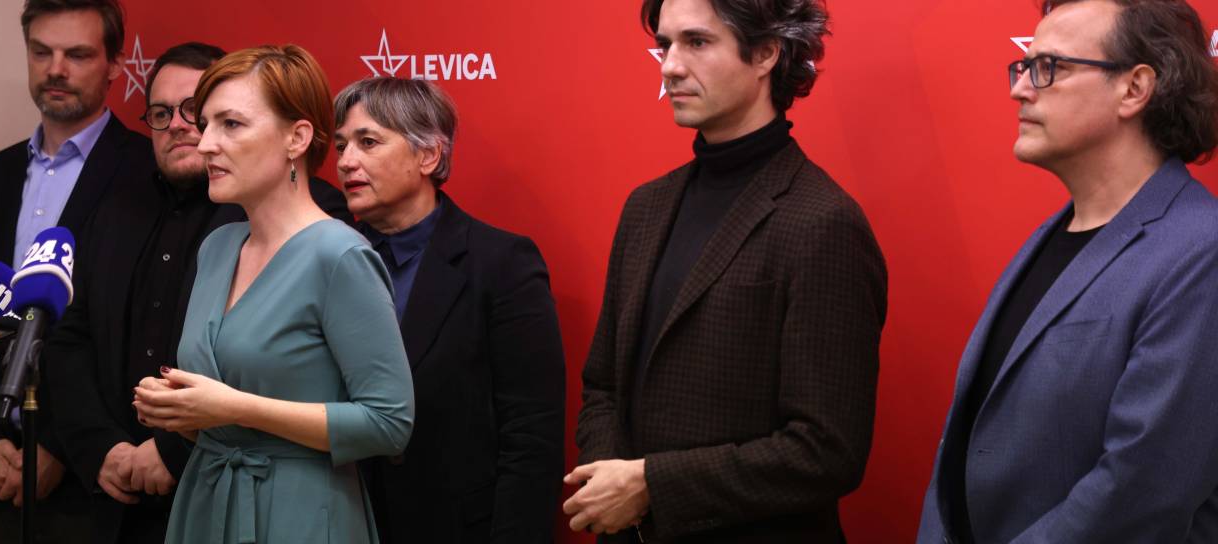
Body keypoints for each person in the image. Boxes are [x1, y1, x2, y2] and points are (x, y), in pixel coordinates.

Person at [567, 0, 887, 541]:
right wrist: (610, 480)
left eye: (696, 42)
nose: (670, 66)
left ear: (765, 54)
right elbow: (602, 385)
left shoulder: (822, 221)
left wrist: (650, 487)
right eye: (664, 45)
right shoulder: (645, 207)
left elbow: (827, 450)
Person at [916, 1, 1218, 542]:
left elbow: (1142, 492)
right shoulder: (1046, 239)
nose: (1020, 89)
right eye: (1024, 66)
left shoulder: (1201, 251)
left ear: (1134, 88)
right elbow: (960, 449)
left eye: (1048, 67)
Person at [42, 41, 352, 543]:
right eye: (161, 114)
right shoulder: (113, 208)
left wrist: (172, 449)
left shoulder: (301, 224)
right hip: (111, 498)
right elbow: (70, 337)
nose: (186, 129)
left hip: (246, 490)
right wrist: (101, 448)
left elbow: (299, 374)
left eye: (199, 113)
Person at [130, 45, 415, 544]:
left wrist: (234, 407)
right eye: (206, 124)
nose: (205, 144)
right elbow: (221, 413)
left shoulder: (339, 256)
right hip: (205, 500)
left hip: (300, 513)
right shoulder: (218, 247)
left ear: (296, 138)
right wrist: (182, 413)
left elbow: (389, 422)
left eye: (231, 124)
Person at [0, 0, 154, 541]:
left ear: (114, 64)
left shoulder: (148, 173)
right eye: (41, 52)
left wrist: (63, 448)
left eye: (77, 54)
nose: (56, 69)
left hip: (98, 479)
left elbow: (143, 333)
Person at [333, 76, 566, 543]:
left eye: (368, 142)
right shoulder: (330, 259)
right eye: (341, 146)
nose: (345, 161)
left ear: (428, 156)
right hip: (344, 523)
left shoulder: (501, 262)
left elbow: (531, 436)